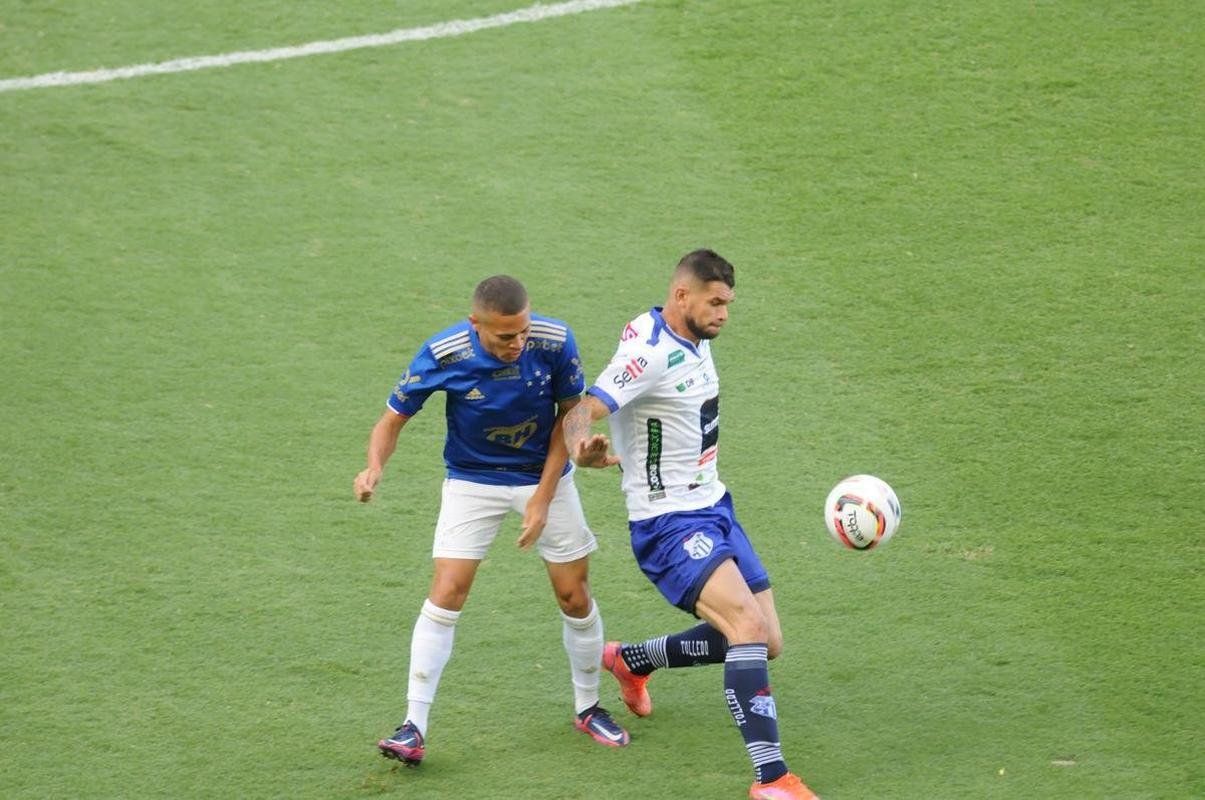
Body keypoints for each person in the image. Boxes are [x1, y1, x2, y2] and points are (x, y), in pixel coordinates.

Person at [562, 250, 819, 800]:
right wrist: (581, 450)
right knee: (745, 627)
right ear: (682, 296)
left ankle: (631, 661)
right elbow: (581, 410)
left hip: (714, 506)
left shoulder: (691, 335)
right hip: (669, 523)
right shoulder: (649, 354)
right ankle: (771, 779)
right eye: (715, 302)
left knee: (768, 640)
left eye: (728, 304)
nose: (724, 314)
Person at [355, 275, 629, 767]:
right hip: (471, 480)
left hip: (543, 475)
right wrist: (374, 466)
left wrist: (544, 495)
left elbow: (570, 419)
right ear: (475, 324)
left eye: (523, 331)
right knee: (447, 591)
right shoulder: (445, 354)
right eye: (505, 336)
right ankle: (413, 726)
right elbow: (391, 420)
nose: (517, 343)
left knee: (574, 595)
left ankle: (588, 707)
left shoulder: (554, 341)